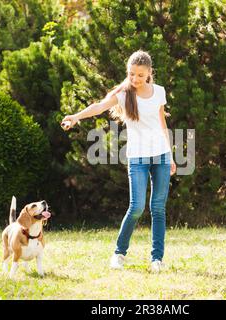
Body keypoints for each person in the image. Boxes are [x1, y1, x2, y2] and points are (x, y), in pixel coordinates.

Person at [61, 50, 176, 273]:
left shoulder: (159, 92)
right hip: (138, 158)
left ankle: (157, 259)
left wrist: (170, 155)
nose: (135, 79)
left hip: (161, 155)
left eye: (140, 75)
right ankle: (119, 254)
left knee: (158, 208)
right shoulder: (124, 94)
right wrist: (76, 116)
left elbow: (162, 123)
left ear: (150, 73)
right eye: (132, 74)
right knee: (136, 207)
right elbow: (99, 106)